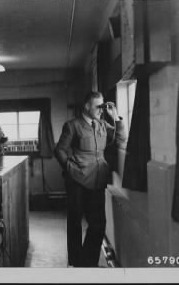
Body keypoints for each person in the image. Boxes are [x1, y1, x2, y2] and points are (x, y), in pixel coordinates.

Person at [54, 91, 127, 267]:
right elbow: (60, 150)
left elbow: (121, 139)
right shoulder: (73, 125)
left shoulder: (102, 125)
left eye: (103, 107)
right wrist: (70, 168)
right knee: (75, 223)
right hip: (77, 181)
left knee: (98, 225)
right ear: (87, 106)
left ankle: (87, 262)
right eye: (98, 106)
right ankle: (76, 261)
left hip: (97, 180)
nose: (101, 110)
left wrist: (115, 117)